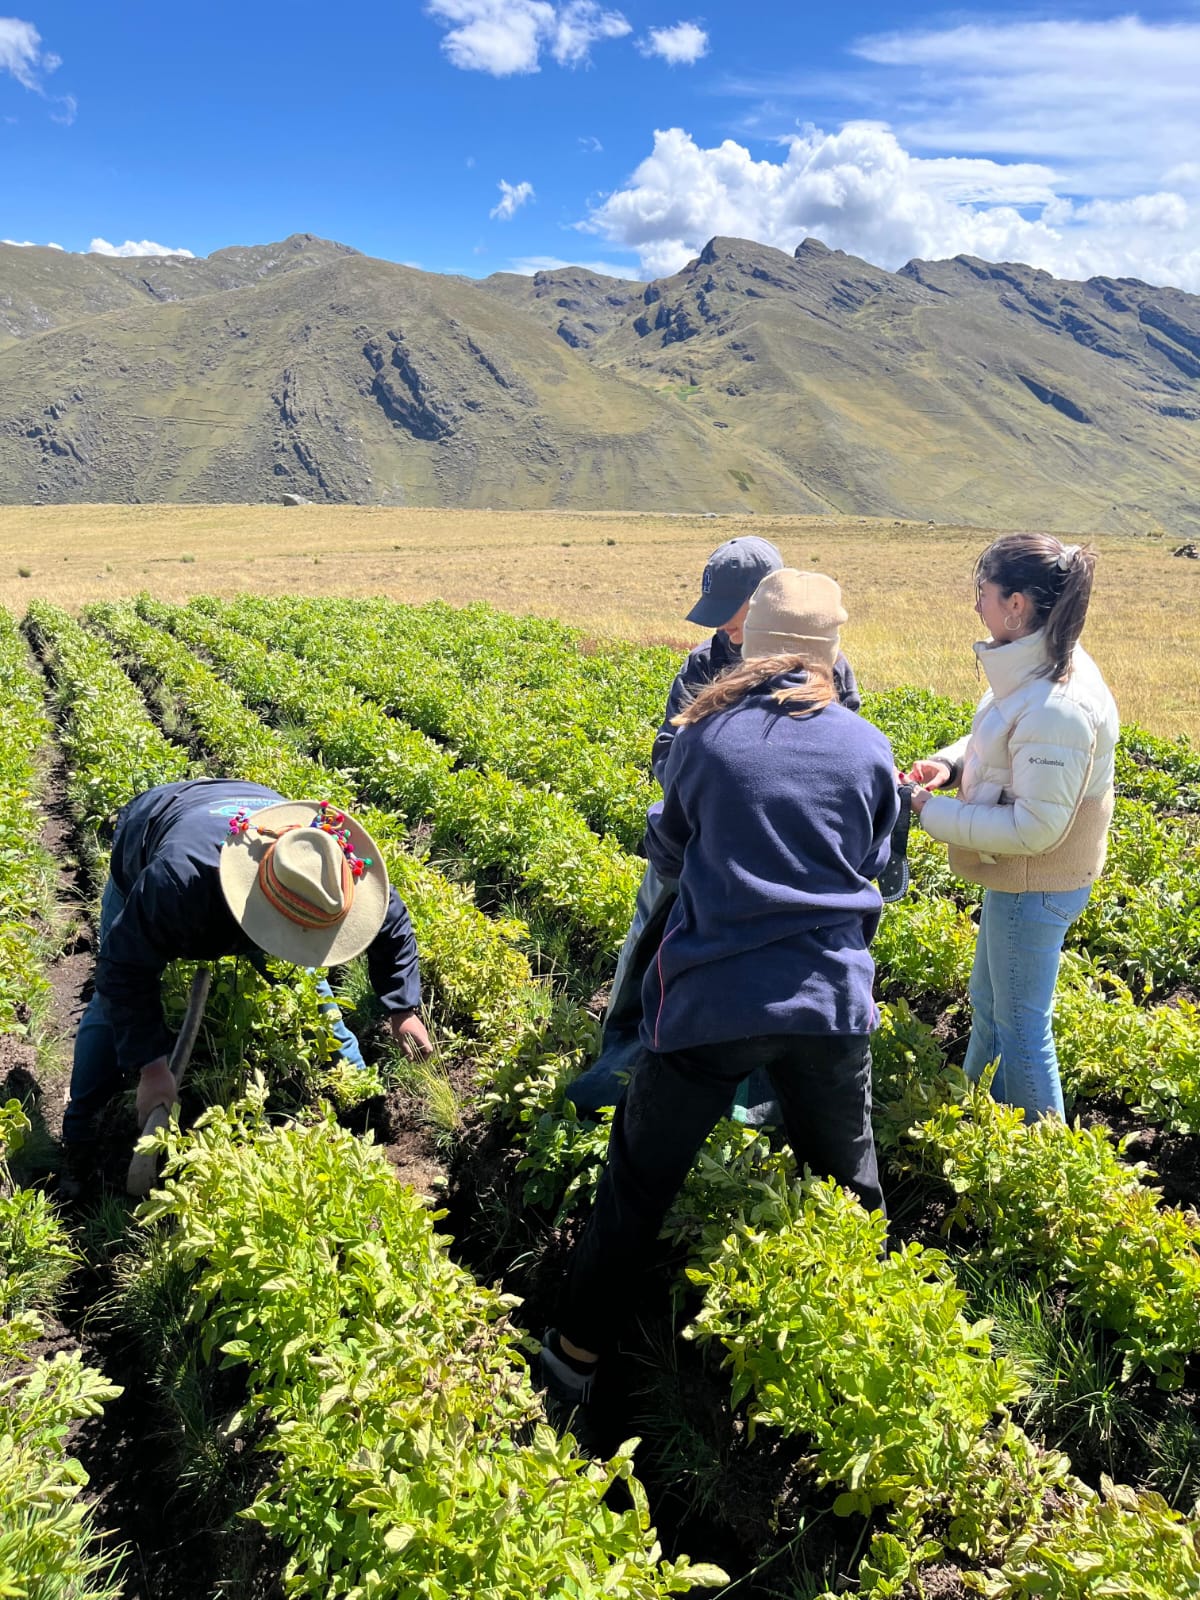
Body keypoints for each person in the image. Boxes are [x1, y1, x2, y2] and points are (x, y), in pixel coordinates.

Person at [542, 570, 899, 1401]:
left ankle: (573, 1359)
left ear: (752, 641)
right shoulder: (867, 744)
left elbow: (667, 852)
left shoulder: (707, 734)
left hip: (713, 1004)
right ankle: (870, 1365)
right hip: (830, 1005)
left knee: (637, 1183)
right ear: (831, 651)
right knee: (851, 1187)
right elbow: (882, 868)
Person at [569, 536, 861, 1118]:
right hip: (697, 834)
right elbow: (668, 746)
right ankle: (623, 1045)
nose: (726, 631)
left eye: (735, 617)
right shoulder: (705, 663)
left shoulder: (830, 671)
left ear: (770, 605)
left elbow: (835, 760)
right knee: (649, 933)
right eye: (720, 620)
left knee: (762, 967)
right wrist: (702, 789)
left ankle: (756, 1097)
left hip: (776, 852)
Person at [59, 779, 431, 1196]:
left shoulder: (330, 866)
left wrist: (403, 1008)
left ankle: (358, 1089)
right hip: (155, 831)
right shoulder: (177, 883)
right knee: (107, 1008)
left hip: (248, 835)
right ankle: (79, 1134)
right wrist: (152, 1068)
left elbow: (391, 922)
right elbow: (123, 968)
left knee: (307, 984)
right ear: (260, 908)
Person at [906, 534, 1118, 1122]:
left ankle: (1043, 1158)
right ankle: (976, 1117)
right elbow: (1001, 735)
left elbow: (1034, 829)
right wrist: (949, 766)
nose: (977, 605)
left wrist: (928, 812)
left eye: (984, 592)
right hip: (1022, 880)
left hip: (1035, 881)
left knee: (1022, 1026)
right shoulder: (1039, 665)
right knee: (991, 1003)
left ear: (1017, 603)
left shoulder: (1057, 703)